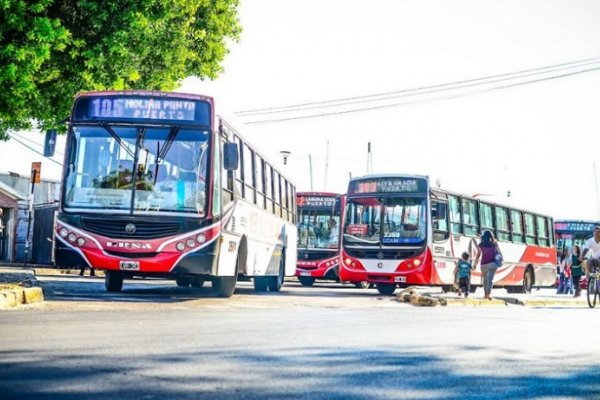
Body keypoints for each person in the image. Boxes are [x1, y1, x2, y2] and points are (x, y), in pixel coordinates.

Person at [473, 230, 502, 300]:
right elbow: (499, 253)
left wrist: (475, 264)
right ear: (491, 236)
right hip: (492, 264)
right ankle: (488, 294)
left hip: (483, 264)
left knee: (485, 280)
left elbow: (478, 255)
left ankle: (485, 294)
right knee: (490, 280)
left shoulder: (481, 244)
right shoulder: (494, 243)